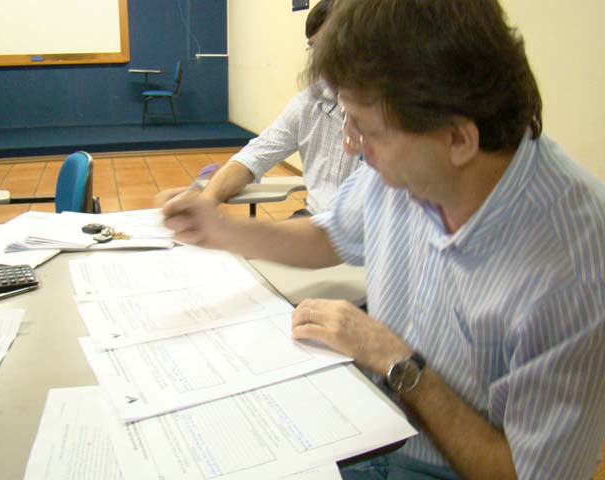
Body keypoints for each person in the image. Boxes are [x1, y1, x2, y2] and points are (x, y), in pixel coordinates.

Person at [161, 0, 605, 478]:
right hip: (374, 425)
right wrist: (223, 231)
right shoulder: (411, 159)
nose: (350, 144)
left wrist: (397, 363)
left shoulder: (573, 264)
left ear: (458, 139)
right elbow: (329, 236)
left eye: (366, 129)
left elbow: (526, 473)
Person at [167, 0, 360, 216]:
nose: (321, 60)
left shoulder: (386, 111)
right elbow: (252, 158)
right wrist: (204, 203)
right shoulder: (309, 102)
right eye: (315, 48)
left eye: (331, 47)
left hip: (362, 232)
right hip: (313, 222)